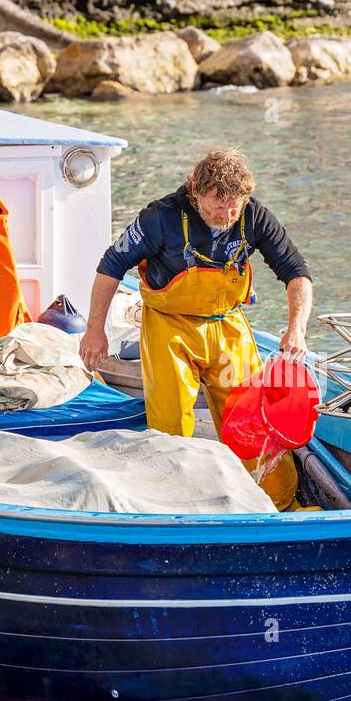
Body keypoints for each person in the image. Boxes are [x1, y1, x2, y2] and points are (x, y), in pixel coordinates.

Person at [79, 148, 312, 508]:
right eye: (217, 206)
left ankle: (275, 504)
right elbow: (111, 266)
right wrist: (96, 331)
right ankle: (171, 504)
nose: (227, 215)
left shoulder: (253, 216)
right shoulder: (160, 217)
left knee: (252, 421)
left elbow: (296, 271)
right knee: (171, 422)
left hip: (227, 325)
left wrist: (296, 328)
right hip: (169, 328)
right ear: (195, 191)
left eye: (234, 207)